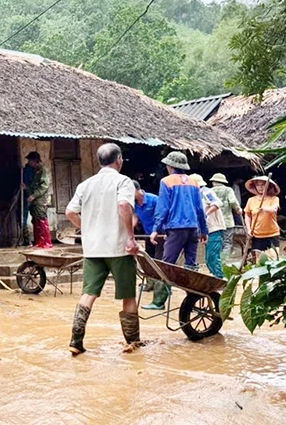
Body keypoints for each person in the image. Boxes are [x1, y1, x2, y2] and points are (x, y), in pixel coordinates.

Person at [65, 143, 140, 353]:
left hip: (93, 249)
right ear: (119, 160)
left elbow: (70, 212)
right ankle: (132, 341)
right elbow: (124, 206)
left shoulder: (85, 184)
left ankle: (76, 341)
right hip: (118, 248)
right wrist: (131, 238)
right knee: (128, 295)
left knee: (89, 293)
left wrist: (87, 229)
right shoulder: (123, 181)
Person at [144, 151, 208, 311]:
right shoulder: (194, 182)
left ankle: (158, 301)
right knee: (191, 265)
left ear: (171, 166)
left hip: (176, 228)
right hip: (193, 228)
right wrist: (204, 230)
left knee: (166, 264)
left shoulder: (166, 182)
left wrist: (155, 229)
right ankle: (193, 301)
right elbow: (200, 209)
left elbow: (163, 207)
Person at [190, 174, 226, 279]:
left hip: (214, 228)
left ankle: (220, 277)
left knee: (212, 257)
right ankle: (216, 277)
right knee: (209, 258)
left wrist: (206, 214)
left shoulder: (206, 191)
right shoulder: (195, 195)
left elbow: (217, 203)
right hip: (206, 230)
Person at [244, 176, 282, 259]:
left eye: (263, 185)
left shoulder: (274, 199)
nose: (260, 187)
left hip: (272, 234)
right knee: (259, 261)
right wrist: (249, 229)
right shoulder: (251, 200)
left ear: (268, 186)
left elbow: (274, 209)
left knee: (274, 258)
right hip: (257, 235)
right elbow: (247, 215)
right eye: (258, 185)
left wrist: (264, 209)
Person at [209, 172, 242, 263]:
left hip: (214, 223)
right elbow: (233, 201)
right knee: (227, 242)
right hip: (227, 221)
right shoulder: (228, 190)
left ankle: (216, 262)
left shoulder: (210, 191)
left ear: (214, 182)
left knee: (217, 242)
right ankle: (223, 261)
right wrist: (238, 209)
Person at [133, 181, 159, 291]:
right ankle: (150, 284)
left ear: (136, 190)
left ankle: (161, 287)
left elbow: (163, 215)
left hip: (160, 234)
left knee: (160, 261)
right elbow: (135, 218)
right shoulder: (134, 204)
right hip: (148, 235)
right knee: (149, 260)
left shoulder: (154, 199)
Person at [25, 151, 53, 249]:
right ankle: (39, 242)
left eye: (30, 160)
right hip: (35, 200)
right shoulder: (36, 171)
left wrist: (34, 195)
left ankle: (46, 243)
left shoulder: (42, 171)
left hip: (40, 200)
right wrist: (27, 188)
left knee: (41, 220)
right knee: (36, 221)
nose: (28, 162)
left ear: (34, 161)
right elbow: (34, 186)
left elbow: (44, 186)